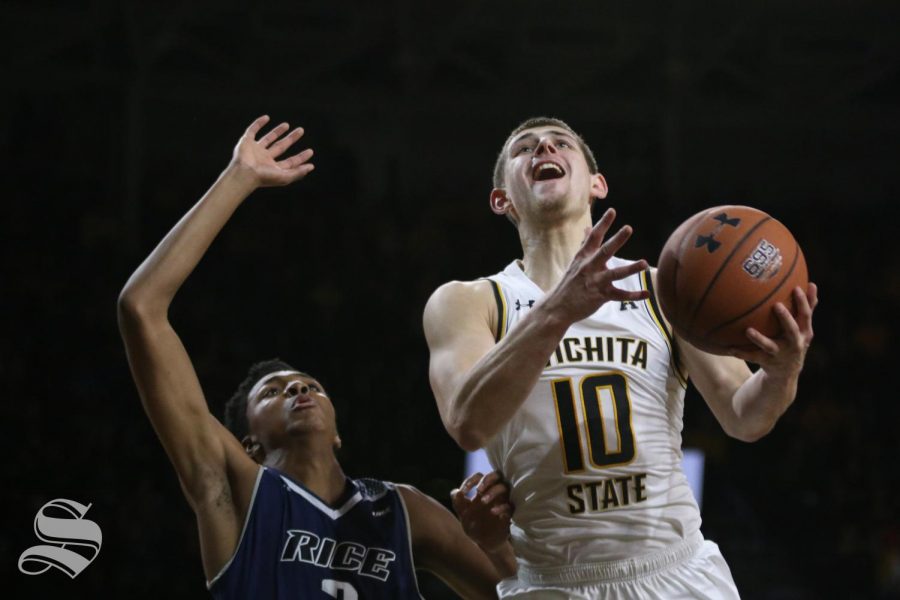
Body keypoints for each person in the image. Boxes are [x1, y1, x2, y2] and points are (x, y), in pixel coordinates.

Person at [117, 115, 516, 599]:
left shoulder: (402, 510)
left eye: (309, 384)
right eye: (274, 391)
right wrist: (238, 178)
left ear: (339, 431)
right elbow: (141, 310)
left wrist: (494, 543)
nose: (299, 389)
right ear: (249, 444)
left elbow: (515, 593)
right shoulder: (236, 490)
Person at [423, 117, 818, 598]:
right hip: (552, 582)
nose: (543, 146)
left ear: (597, 184)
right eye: (524, 149)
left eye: (560, 142)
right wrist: (557, 311)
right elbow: (468, 422)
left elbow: (745, 417)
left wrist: (782, 371)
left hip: (675, 574)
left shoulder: (664, 289)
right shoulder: (468, 302)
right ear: (501, 198)